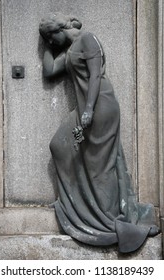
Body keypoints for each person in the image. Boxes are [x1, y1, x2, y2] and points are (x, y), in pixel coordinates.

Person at [39, 13, 159, 253]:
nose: (52, 44)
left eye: (51, 38)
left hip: (100, 107)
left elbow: (95, 75)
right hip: (86, 108)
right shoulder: (71, 49)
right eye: (48, 40)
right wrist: (44, 44)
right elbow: (50, 70)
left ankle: (108, 217)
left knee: (100, 167)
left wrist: (90, 110)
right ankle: (86, 210)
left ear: (59, 30)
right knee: (59, 145)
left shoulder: (88, 39)